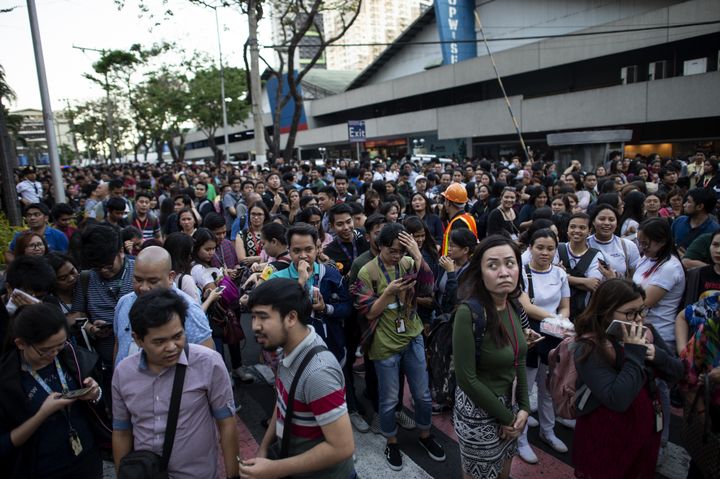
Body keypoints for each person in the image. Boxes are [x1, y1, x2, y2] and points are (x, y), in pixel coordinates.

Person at [111, 289, 240, 479]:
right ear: (138, 339)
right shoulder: (123, 372)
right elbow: (122, 432)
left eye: (178, 336)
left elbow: (227, 424)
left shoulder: (208, 363)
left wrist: (233, 475)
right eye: (159, 341)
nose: (172, 347)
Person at [240, 278, 355, 479]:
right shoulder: (289, 349)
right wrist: (264, 449)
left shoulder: (319, 373)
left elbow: (342, 448)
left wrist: (274, 469)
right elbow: (283, 403)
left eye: (263, 317)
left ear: (291, 318)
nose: (255, 326)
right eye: (253, 317)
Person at [353, 223, 445, 471]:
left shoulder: (407, 262)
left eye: (401, 251)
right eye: (392, 251)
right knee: (389, 399)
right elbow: (369, 313)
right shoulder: (366, 272)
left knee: (423, 395)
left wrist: (416, 255)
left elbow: (428, 288)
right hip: (384, 343)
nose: (397, 256)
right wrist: (388, 294)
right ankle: (391, 441)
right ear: (380, 246)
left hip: (412, 335)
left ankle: (425, 435)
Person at [572, 279, 684, 479]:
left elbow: (677, 372)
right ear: (605, 312)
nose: (638, 320)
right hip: (606, 435)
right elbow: (618, 399)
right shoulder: (589, 346)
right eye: (630, 314)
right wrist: (635, 353)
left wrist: (658, 355)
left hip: (644, 429)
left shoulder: (646, 332)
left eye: (642, 311)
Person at [453, 235, 530, 479]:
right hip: (478, 414)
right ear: (480, 272)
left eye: (510, 263)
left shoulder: (513, 305)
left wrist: (525, 408)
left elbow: (519, 358)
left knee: (503, 472)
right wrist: (508, 418)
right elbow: (467, 379)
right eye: (493, 265)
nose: (504, 272)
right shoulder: (469, 313)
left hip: (510, 405)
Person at [0, 303, 107, 479]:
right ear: (20, 343)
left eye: (60, 345)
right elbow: (5, 443)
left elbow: (99, 405)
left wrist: (95, 394)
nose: (54, 354)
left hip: (87, 459)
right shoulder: (7, 380)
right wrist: (42, 414)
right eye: (45, 350)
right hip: (40, 468)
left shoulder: (72, 358)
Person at [632, 217, 686, 461]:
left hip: (660, 336)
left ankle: (661, 442)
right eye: (639, 242)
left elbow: (644, 301)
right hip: (639, 329)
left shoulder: (670, 268)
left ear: (662, 241)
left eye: (646, 243)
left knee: (659, 390)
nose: (641, 248)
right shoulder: (649, 259)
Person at [516, 228, 571, 463]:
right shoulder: (522, 272)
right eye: (540, 247)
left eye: (550, 248)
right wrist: (556, 319)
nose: (545, 253)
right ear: (530, 248)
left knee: (548, 389)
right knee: (525, 391)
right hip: (530, 336)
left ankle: (548, 432)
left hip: (554, 338)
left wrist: (561, 320)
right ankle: (520, 440)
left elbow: (566, 306)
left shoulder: (560, 275)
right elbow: (526, 307)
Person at [112, 246, 215, 366]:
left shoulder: (190, 311)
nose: (144, 288)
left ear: (171, 277)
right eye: (138, 280)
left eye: (153, 281)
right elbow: (118, 345)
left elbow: (207, 362)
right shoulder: (124, 303)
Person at [269, 223, 351, 367]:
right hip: (294, 349)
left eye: (309, 249)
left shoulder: (331, 275)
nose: (303, 256)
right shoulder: (277, 279)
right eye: (296, 250)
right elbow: (276, 316)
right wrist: (300, 282)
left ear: (317, 249)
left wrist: (325, 308)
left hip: (331, 345)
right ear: (288, 250)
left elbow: (347, 307)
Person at [557, 213, 603, 319]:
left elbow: (593, 284)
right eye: (573, 227)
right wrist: (585, 281)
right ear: (567, 229)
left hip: (583, 312)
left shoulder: (595, 255)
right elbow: (551, 277)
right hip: (556, 308)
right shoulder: (558, 249)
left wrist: (564, 277)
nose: (577, 231)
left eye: (582, 228)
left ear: (589, 231)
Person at [587, 204, 640, 279]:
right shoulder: (584, 244)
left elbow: (635, 278)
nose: (607, 223)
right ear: (593, 222)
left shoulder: (627, 245)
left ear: (617, 223)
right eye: (602, 219)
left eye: (611, 220)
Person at [672, 188, 720, 254]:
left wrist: (688, 259)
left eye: (688, 202)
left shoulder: (715, 230)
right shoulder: (679, 221)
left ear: (700, 206)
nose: (684, 205)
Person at [440, 183, 477, 255]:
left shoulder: (458, 222)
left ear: (448, 202)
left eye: (445, 201)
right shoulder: (468, 217)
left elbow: (459, 253)